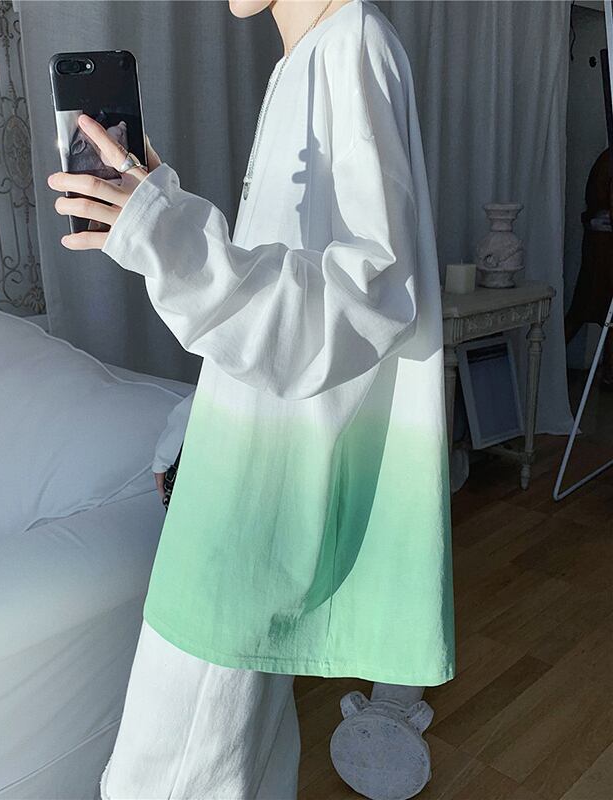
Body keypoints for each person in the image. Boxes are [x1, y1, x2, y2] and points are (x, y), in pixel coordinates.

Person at [47, 1, 456, 797]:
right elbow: (294, 283)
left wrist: (168, 235)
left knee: (161, 778)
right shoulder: (311, 56)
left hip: (256, 498)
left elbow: (367, 295)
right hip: (251, 476)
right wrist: (157, 212)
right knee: (244, 764)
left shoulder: (350, 42)